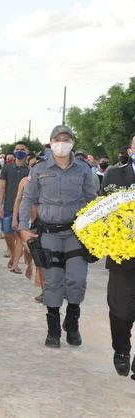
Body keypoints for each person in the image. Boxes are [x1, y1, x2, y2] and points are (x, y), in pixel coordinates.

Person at [19, 125, 97, 349]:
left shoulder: (83, 169)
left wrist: (99, 232)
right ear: (51, 142)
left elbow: (92, 201)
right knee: (52, 281)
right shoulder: (39, 169)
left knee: (77, 280)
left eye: (66, 138)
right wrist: (24, 228)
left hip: (76, 233)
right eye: (58, 139)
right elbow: (27, 200)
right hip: (49, 234)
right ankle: (53, 328)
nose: (62, 142)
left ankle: (72, 322)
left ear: (72, 142)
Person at [100, 131, 135, 378]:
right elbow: (101, 212)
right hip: (123, 253)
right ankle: (122, 349)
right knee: (121, 310)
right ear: (130, 151)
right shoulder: (114, 175)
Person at [12, 155, 43, 294]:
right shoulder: (25, 181)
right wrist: (15, 219)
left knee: (41, 245)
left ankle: (38, 271)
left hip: (42, 216)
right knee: (29, 245)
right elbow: (18, 200)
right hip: (27, 215)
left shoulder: (49, 182)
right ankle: (29, 263)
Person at [0, 142, 30, 275]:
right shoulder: (6, 168)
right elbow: (1, 187)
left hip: (24, 208)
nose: (19, 151)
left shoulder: (29, 170)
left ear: (26, 151)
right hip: (9, 205)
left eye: (22, 149)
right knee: (8, 233)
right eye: (17, 149)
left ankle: (15, 263)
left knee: (20, 236)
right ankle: (13, 255)